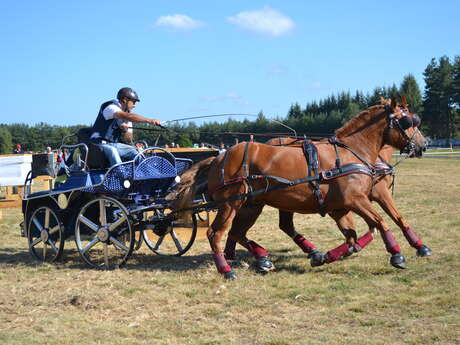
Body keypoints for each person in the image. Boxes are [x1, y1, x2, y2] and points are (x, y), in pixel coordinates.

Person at [90, 87, 161, 165]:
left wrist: (125, 130)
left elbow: (128, 138)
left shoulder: (127, 115)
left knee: (135, 152)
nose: (135, 106)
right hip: (99, 144)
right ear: (124, 99)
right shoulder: (111, 107)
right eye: (133, 102)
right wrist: (149, 120)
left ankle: (148, 172)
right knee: (112, 150)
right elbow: (126, 116)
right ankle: (120, 174)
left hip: (115, 145)